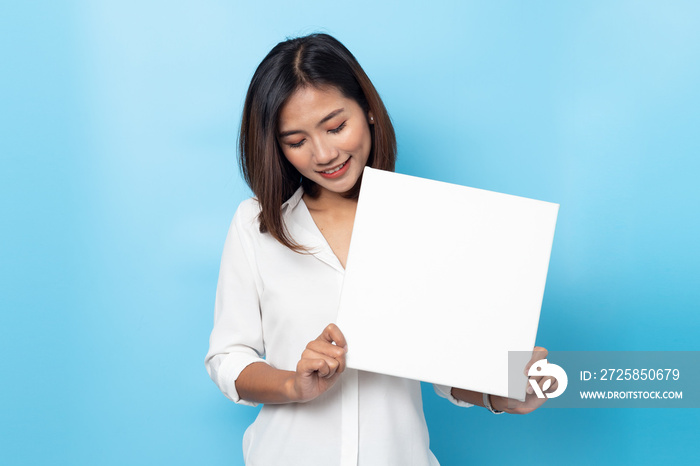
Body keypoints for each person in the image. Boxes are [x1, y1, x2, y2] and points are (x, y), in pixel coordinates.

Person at [205, 33, 556, 465]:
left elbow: (446, 369)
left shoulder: (427, 221)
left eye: (336, 126)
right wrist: (293, 385)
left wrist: (501, 394)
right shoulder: (254, 224)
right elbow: (227, 357)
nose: (324, 153)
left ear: (368, 110)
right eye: (296, 141)